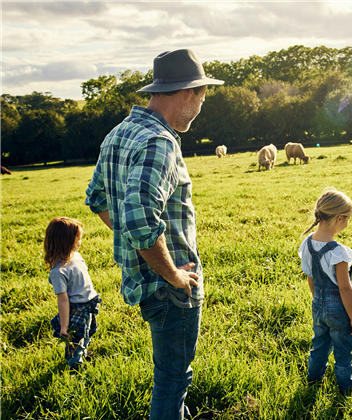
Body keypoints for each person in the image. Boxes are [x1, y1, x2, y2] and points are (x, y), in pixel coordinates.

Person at [85, 49, 223, 419]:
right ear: (188, 92)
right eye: (202, 97)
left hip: (143, 281)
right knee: (172, 378)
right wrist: (172, 273)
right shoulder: (160, 142)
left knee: (170, 375)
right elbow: (140, 219)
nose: (200, 106)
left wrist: (133, 240)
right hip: (170, 289)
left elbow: (96, 196)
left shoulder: (120, 132)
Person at [298, 188, 352, 396]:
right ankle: (346, 389)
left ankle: (314, 379)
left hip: (318, 305)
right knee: (343, 352)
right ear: (339, 218)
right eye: (347, 219)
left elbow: (311, 277)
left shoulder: (307, 244)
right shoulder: (338, 252)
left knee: (319, 346)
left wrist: (318, 301)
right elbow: (345, 288)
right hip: (339, 310)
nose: (347, 224)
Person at [44, 217, 101, 370]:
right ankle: (75, 364)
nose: (80, 242)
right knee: (76, 338)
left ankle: (82, 352)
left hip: (90, 303)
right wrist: (64, 326)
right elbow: (62, 300)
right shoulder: (58, 272)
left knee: (88, 332)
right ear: (66, 241)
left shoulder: (75, 256)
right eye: (78, 239)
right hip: (76, 308)